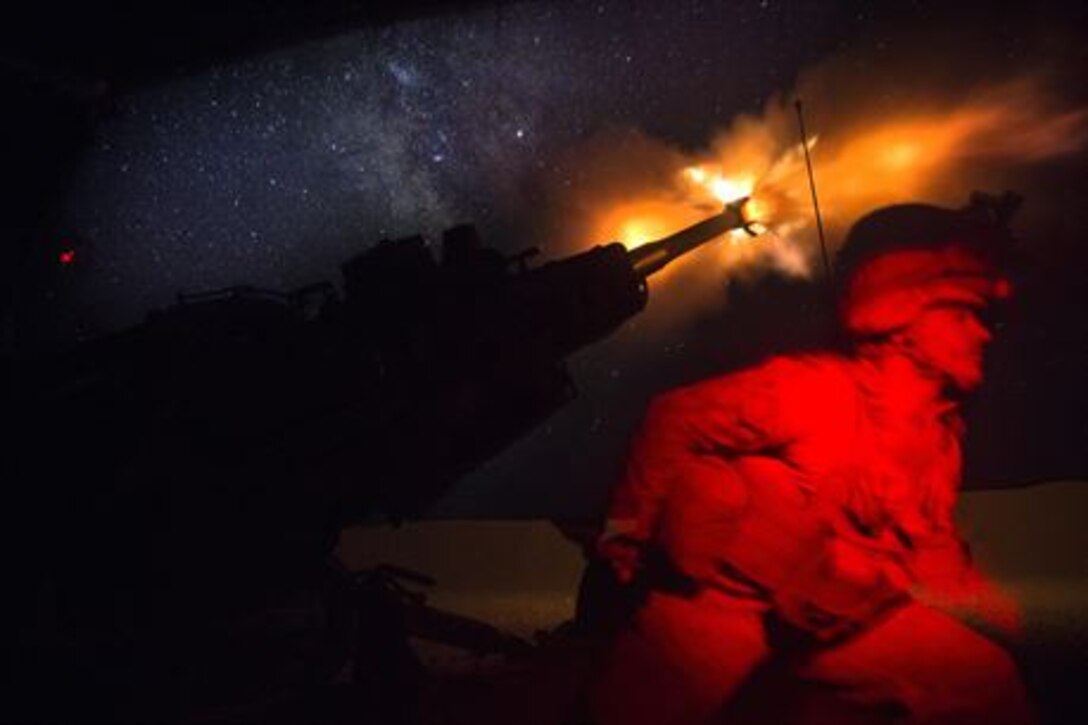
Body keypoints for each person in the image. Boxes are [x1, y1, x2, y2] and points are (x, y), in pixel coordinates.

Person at [587, 194, 1035, 725]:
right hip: (727, 616)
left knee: (987, 683)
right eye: (963, 314)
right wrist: (624, 536)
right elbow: (674, 417)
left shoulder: (938, 440)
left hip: (838, 626)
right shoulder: (815, 393)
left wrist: (999, 616)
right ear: (903, 314)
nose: (982, 332)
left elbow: (930, 553)